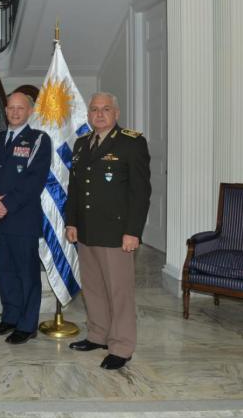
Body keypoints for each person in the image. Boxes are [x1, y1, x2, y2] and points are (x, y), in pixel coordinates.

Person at [65, 92, 151, 370]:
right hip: (87, 231)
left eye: (105, 109)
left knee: (119, 292)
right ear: (88, 114)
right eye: (94, 110)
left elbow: (140, 192)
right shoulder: (81, 144)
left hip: (117, 232)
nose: (99, 114)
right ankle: (98, 334)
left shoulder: (131, 143)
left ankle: (122, 346)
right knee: (93, 289)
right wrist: (72, 222)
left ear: (116, 113)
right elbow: (75, 189)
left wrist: (133, 231)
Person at [0, 91, 51, 344]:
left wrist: (5, 204)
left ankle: (27, 324)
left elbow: (34, 180)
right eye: (10, 108)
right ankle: (10, 317)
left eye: (20, 108)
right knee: (4, 271)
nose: (14, 112)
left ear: (30, 111)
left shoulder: (39, 140)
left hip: (22, 219)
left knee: (26, 273)